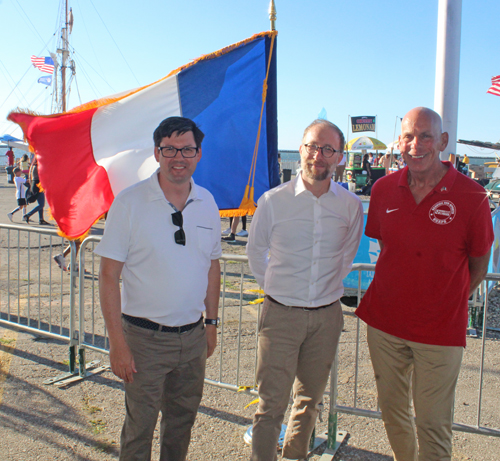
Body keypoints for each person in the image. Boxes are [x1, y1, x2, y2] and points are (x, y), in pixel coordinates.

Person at [356, 107, 494, 461]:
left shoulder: (473, 195)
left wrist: (446, 298)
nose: (415, 145)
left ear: (443, 141)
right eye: (408, 137)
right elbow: (389, 247)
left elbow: (479, 261)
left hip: (439, 331)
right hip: (385, 324)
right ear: (399, 142)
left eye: (426, 136)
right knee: (392, 412)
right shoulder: (384, 188)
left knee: (433, 424)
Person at [95, 116, 221, 460]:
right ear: (156, 152)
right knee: (139, 430)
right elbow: (108, 276)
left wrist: (211, 325)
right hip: (143, 341)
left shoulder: (208, 203)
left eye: (187, 149)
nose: (178, 157)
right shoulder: (130, 202)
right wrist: (117, 344)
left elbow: (212, 267)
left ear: (198, 154)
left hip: (193, 338)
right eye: (169, 149)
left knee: (182, 425)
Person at [247, 119, 363, 461]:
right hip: (281, 314)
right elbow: (255, 252)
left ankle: (295, 456)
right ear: (301, 149)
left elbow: (346, 254)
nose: (319, 156)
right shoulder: (273, 201)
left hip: (326, 317)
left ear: (340, 157)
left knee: (309, 401)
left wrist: (325, 290)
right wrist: (278, 289)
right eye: (313, 146)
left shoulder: (349, 206)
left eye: (329, 149)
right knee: (270, 406)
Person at [23, 158, 49, 225]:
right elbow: (42, 175)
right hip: (38, 185)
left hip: (35, 184)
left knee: (40, 203)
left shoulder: (33, 166)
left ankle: (41, 219)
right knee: (41, 204)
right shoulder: (37, 166)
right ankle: (28, 215)